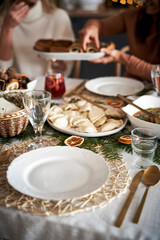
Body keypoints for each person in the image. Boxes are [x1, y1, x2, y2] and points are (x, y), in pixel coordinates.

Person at [79, 0, 160, 81]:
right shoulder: (134, 15)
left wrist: (123, 59)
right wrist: (93, 27)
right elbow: (100, 24)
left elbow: (158, 75)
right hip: (132, 85)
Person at [0, 0, 75, 78]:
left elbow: (64, 69)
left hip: (49, 84)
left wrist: (58, 64)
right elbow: (3, 69)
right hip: (16, 86)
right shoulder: (3, 19)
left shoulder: (59, 17)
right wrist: (7, 28)